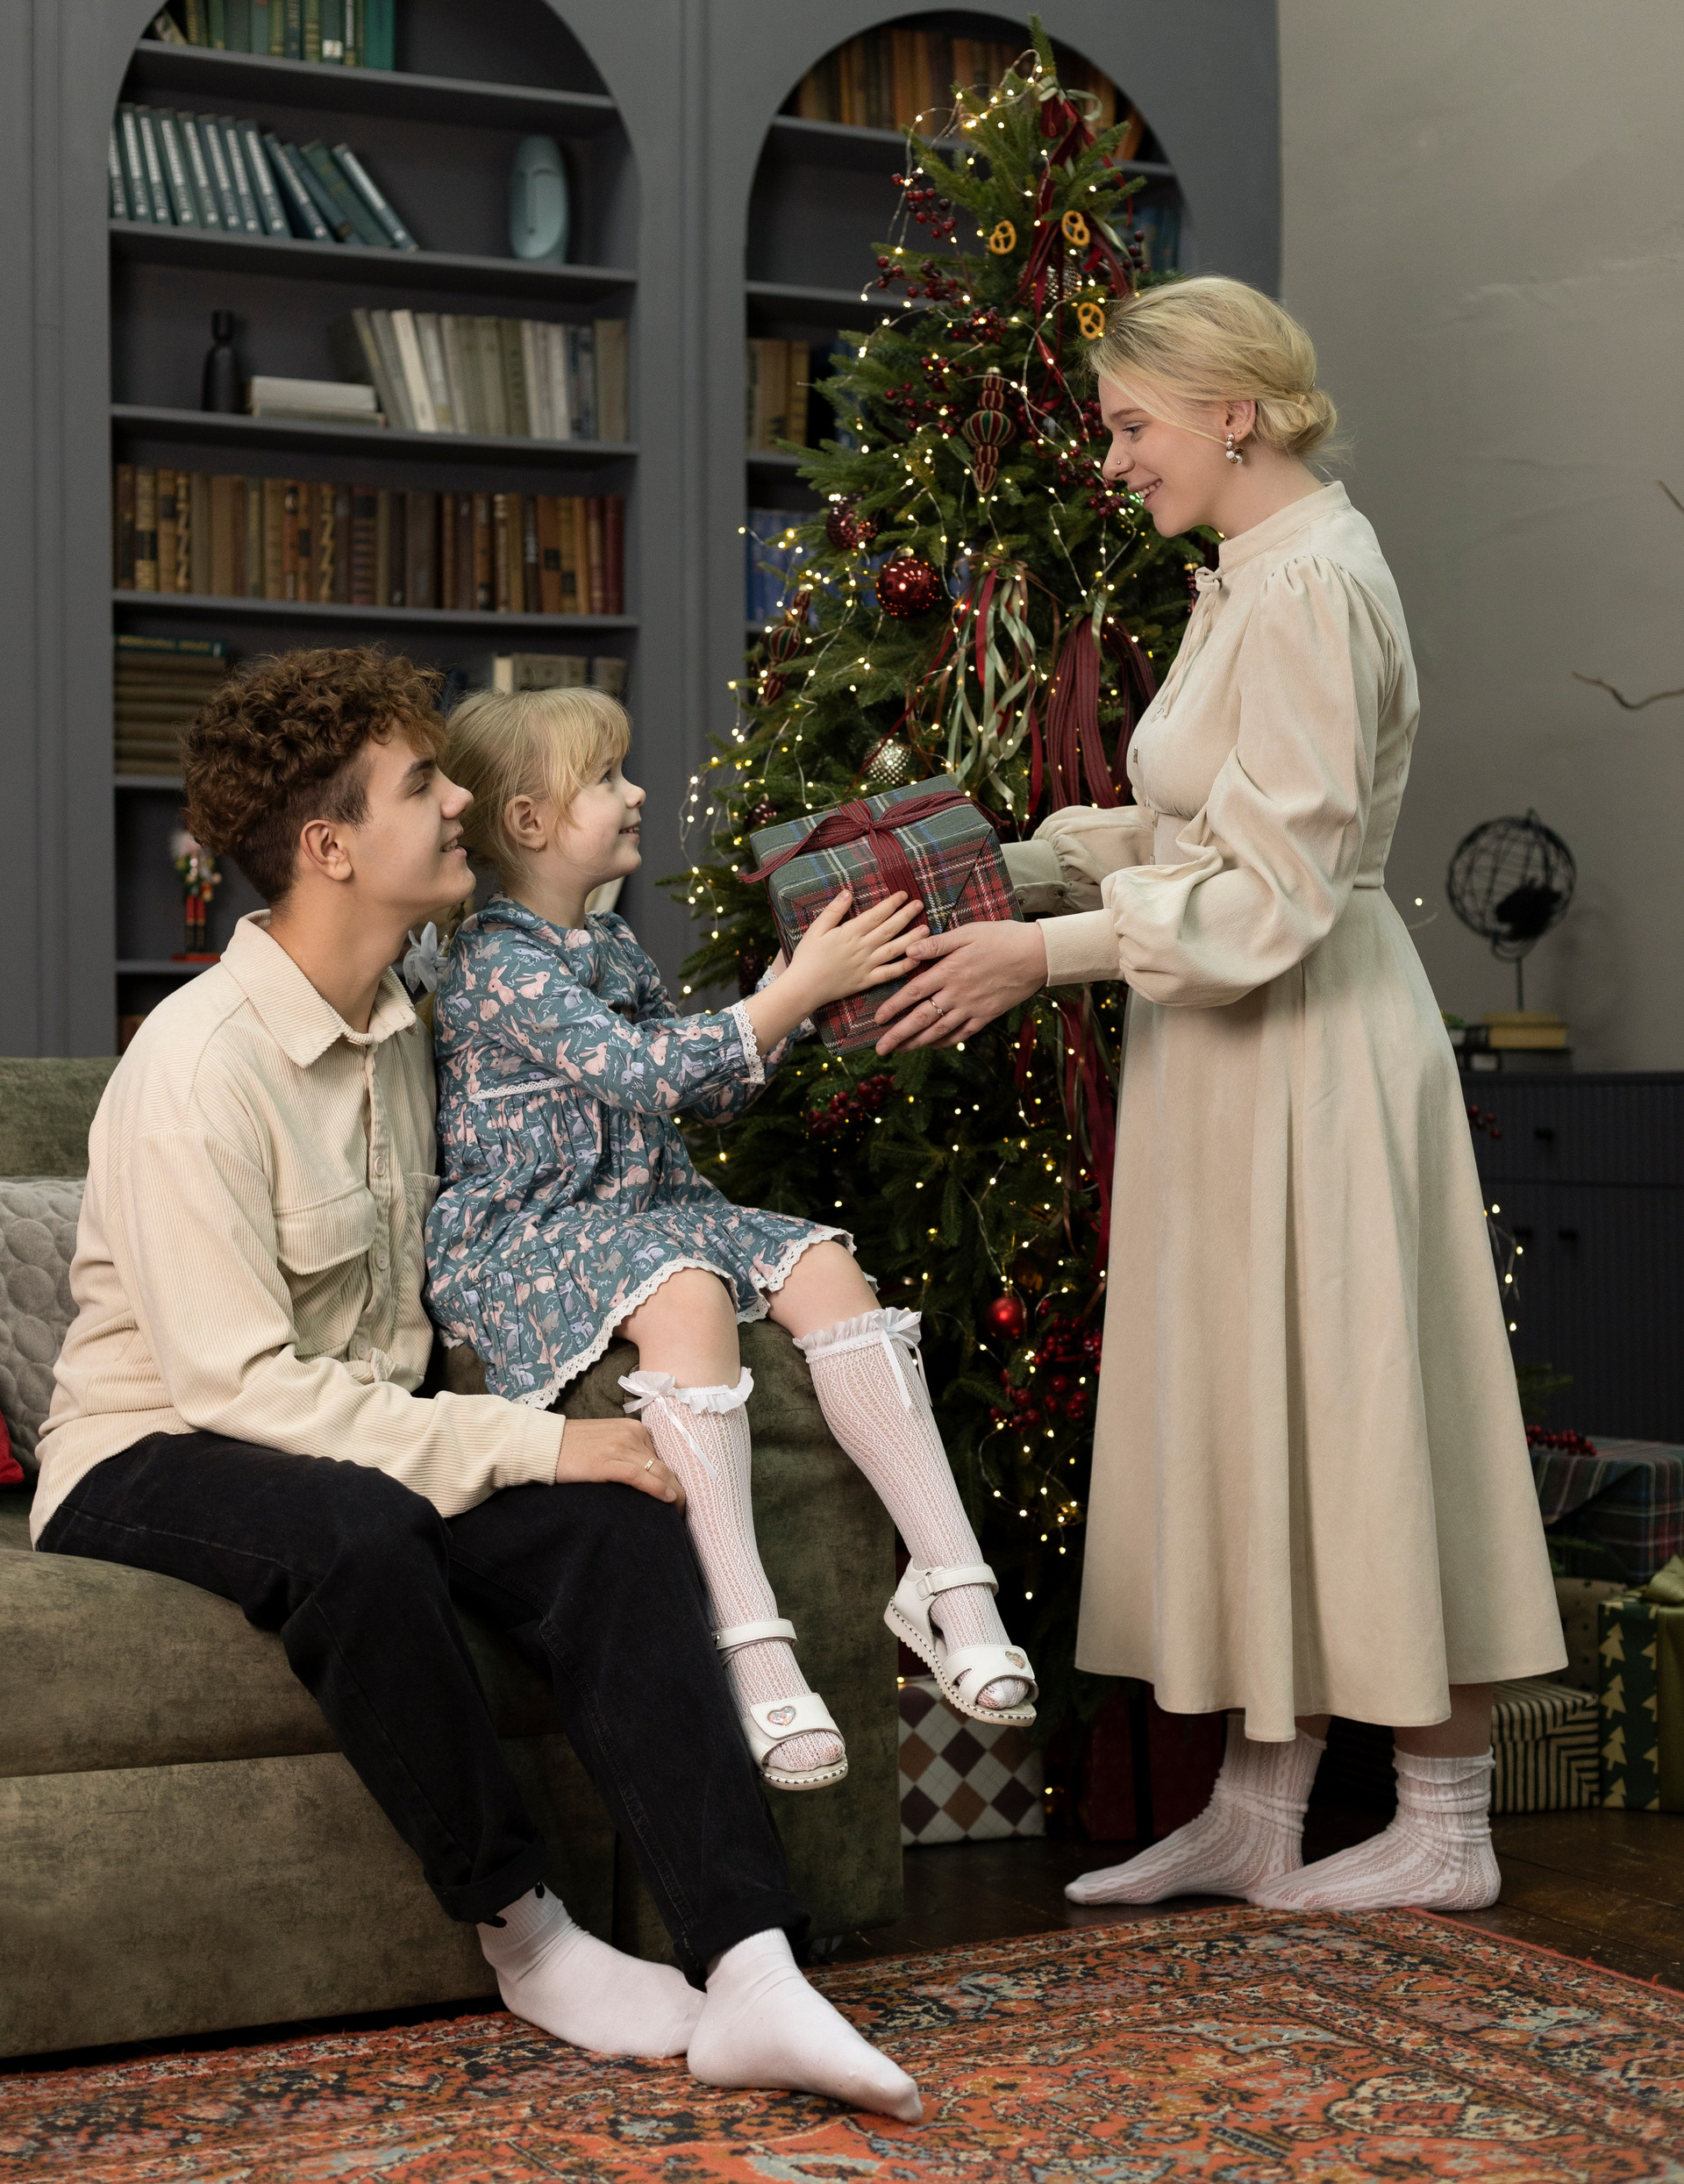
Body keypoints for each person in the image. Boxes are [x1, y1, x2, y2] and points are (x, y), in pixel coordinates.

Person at [31, 646, 920, 2121]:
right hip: (161, 1442)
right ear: (332, 847)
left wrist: (571, 1440)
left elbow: (556, 1169)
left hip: (357, 1429)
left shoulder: (412, 1019)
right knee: (360, 1533)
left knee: (618, 1522)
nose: (461, 802)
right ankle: (532, 1939)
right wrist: (530, 1443)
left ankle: (753, 1969)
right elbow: (243, 1388)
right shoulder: (197, 1070)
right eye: (421, 784)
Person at [874, 277, 1566, 1914]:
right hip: (1231, 1047)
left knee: (1360, 1404)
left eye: (1133, 425)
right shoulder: (1253, 573)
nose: (1114, 459)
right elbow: (1205, 822)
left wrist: (1043, 955)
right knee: (1265, 1413)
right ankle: (1260, 1811)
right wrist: (1020, 865)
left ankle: (1446, 1824)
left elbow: (1280, 887)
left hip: (1309, 1042)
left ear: (1233, 412)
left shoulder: (1311, 582)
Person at [424, 685, 1037, 1798]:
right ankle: (748, 1637)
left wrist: (794, 991)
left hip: (644, 1206)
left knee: (825, 1264)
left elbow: (704, 1097)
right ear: (529, 822)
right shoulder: (495, 964)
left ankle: (953, 1583)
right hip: (531, 1234)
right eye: (604, 780)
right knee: (689, 1290)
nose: (634, 793)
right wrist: (795, 994)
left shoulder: (608, 942)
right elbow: (640, 1073)